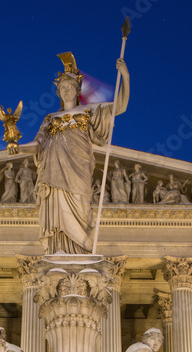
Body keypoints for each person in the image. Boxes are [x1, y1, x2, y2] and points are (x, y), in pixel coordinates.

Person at [14, 52, 130, 254]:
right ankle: (59, 254)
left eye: (70, 87)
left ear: (77, 91)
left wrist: (125, 76)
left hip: (79, 170)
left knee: (83, 211)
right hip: (54, 174)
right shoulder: (51, 118)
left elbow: (120, 106)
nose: (66, 91)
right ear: (58, 93)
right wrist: (18, 148)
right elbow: (38, 144)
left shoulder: (89, 112)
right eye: (62, 88)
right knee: (58, 220)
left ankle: (81, 254)